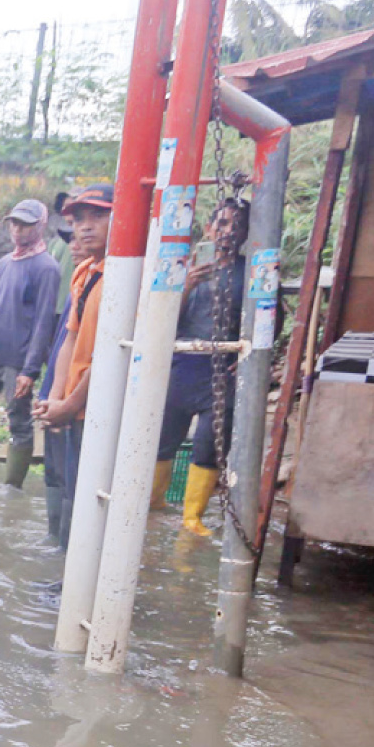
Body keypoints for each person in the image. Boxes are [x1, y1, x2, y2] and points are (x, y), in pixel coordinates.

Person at [154, 197, 248, 535]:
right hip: (182, 366)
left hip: (221, 372)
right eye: (222, 224)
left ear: (245, 234)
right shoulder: (184, 266)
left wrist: (245, 355)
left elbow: (271, 317)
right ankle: (153, 507)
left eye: (237, 225)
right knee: (162, 440)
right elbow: (161, 318)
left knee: (209, 444)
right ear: (209, 228)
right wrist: (188, 283)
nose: (228, 232)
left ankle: (191, 519)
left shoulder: (250, 272)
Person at [33, 183, 114, 550]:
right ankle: (67, 575)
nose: (85, 226)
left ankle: (82, 583)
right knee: (72, 488)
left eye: (99, 215)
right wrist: (53, 398)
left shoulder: (127, 276)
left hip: (102, 410)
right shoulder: (84, 274)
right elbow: (69, 340)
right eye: (79, 218)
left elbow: (111, 355)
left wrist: (70, 404)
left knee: (92, 497)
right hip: (76, 409)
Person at [0, 200, 63, 486]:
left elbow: (43, 323)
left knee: (18, 422)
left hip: (17, 359)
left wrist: (29, 370)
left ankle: (12, 489)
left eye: (25, 225)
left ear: (41, 226)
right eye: (14, 223)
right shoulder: (6, 263)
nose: (18, 230)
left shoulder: (46, 268)